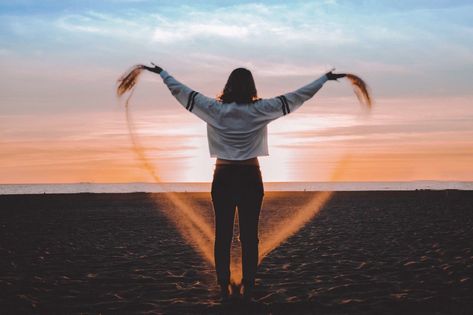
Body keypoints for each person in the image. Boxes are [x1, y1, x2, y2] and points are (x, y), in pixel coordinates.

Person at [142, 64, 345, 300]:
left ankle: (223, 285)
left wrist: (163, 74)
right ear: (251, 86)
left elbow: (183, 92)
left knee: (223, 234)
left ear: (228, 85)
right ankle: (249, 284)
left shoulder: (213, 108)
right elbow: (298, 96)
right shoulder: (261, 109)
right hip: (250, 176)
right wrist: (324, 79)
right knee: (250, 235)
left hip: (223, 177)